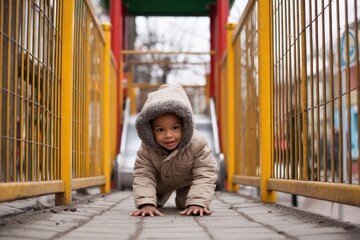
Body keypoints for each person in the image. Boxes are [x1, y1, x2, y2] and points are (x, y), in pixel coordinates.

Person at [131, 84, 217, 217]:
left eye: (175, 128)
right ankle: (153, 200)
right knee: (151, 203)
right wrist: (146, 203)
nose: (168, 135)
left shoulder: (198, 143)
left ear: (185, 125)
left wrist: (198, 202)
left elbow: (205, 173)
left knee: (187, 205)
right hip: (160, 183)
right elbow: (143, 174)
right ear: (151, 130)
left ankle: (190, 199)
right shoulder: (147, 147)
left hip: (187, 182)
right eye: (160, 130)